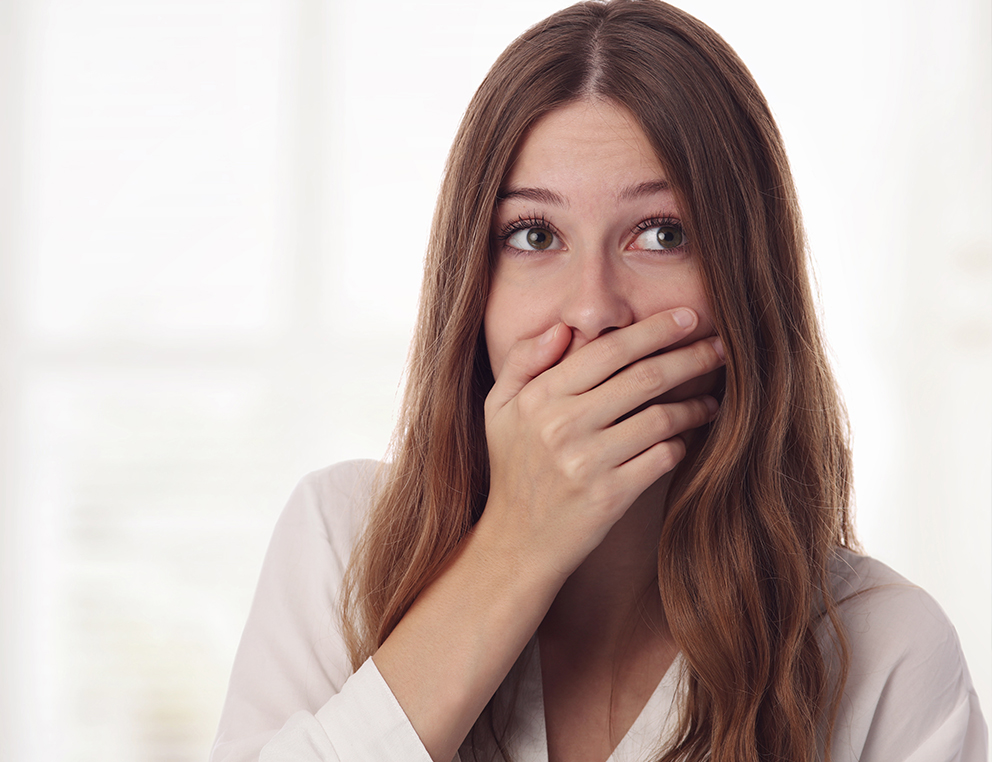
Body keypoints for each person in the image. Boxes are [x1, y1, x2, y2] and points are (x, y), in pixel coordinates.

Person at [210, 2, 987, 760]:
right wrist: (514, 547)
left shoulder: (888, 651)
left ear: (747, 282)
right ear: (474, 289)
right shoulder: (340, 539)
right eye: (535, 235)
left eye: (661, 235)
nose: (593, 308)